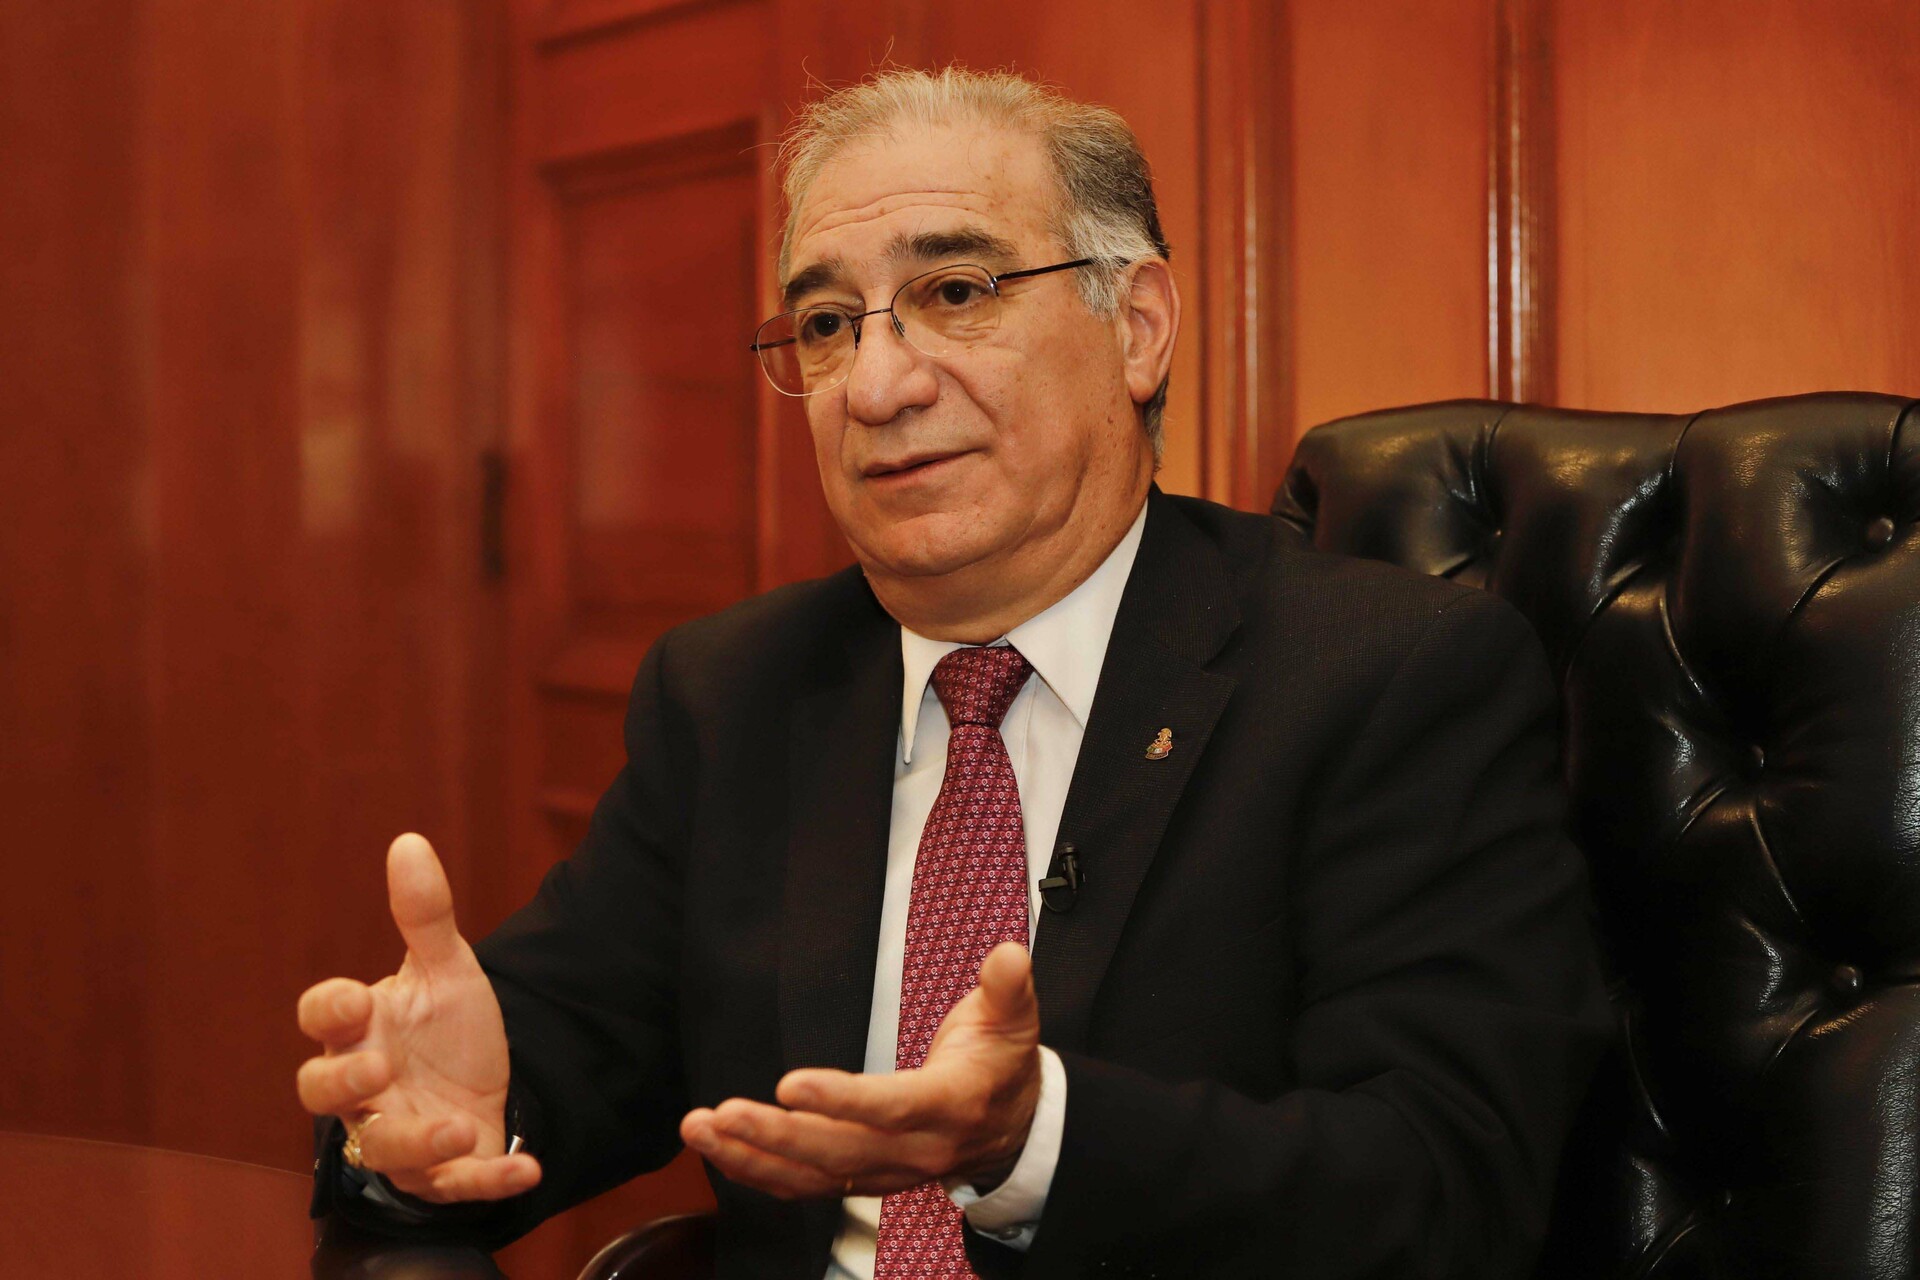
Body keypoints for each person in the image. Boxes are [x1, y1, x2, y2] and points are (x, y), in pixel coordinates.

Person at [299, 67, 1611, 1278]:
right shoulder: (734, 690)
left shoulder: (1386, 679)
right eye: (827, 322)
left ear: (1137, 326)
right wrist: (438, 1119)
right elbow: (552, 1048)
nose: (876, 386)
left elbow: (1450, 1183)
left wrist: (1032, 1142)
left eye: (957, 293)